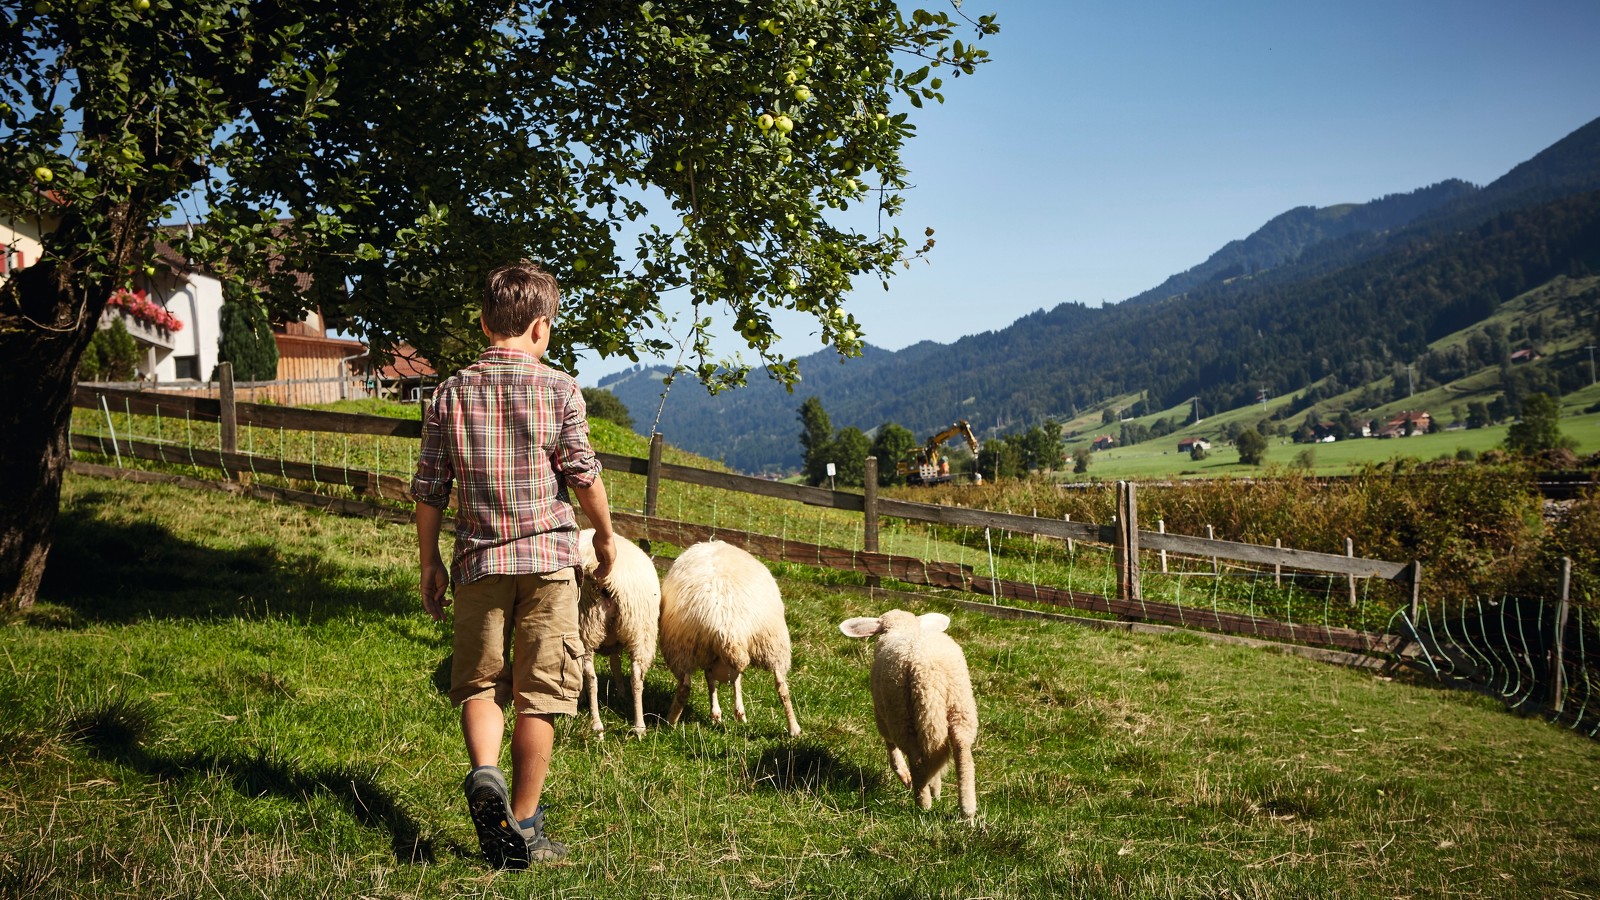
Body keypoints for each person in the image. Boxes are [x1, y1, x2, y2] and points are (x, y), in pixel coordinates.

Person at [411, 260, 617, 868]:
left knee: (479, 685)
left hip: (478, 562)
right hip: (549, 560)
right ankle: (523, 825)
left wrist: (430, 564)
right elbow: (583, 473)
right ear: (541, 328)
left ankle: (485, 774)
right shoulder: (560, 389)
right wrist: (604, 535)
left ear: (482, 323)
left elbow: (429, 489)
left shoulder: (450, 392)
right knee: (542, 692)